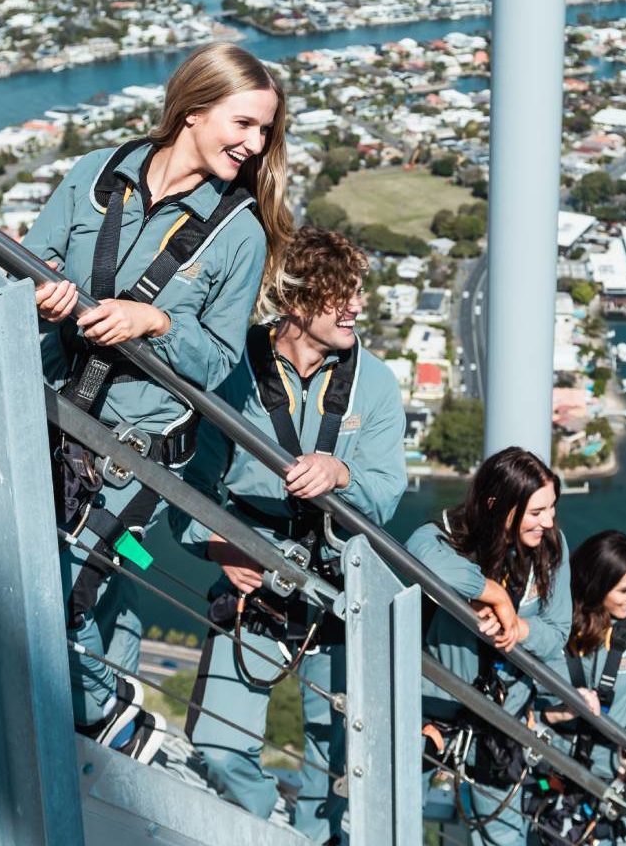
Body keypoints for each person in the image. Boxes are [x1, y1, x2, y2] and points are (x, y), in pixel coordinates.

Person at [24, 42, 290, 760]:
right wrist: (45, 285)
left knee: (68, 589)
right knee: (84, 580)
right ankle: (109, 688)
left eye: (264, 132)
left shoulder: (239, 235)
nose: (255, 144)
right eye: (244, 124)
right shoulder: (99, 174)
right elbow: (34, 254)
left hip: (134, 452)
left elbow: (221, 358)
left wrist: (158, 322)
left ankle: (106, 718)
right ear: (194, 112)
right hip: (55, 410)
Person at [177, 227, 408, 839]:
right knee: (218, 746)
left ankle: (312, 836)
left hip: (336, 587)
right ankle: (262, 826)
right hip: (257, 577)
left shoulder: (374, 384)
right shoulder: (232, 370)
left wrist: (343, 473)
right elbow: (190, 485)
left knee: (334, 765)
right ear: (297, 304)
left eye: (357, 293)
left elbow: (386, 493)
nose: (356, 307)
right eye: (342, 296)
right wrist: (218, 544)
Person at [407, 450, 571, 846]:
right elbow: (418, 553)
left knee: (500, 831)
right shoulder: (448, 537)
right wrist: (490, 592)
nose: (548, 522)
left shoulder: (550, 548)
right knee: (399, 801)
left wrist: (519, 627)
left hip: (503, 714)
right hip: (437, 703)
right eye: (536, 512)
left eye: (551, 508)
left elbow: (557, 633)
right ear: (498, 506)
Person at [541, 530, 626, 842]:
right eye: (625, 589)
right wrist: (555, 714)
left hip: (613, 763)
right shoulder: (555, 616)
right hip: (553, 753)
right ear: (597, 584)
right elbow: (527, 679)